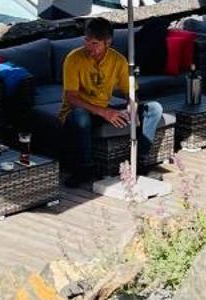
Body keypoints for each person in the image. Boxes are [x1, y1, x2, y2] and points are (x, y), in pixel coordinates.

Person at [60, 16, 163, 186]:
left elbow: (131, 91)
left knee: (154, 109)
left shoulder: (118, 60)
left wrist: (132, 107)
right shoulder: (73, 58)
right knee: (81, 116)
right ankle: (85, 169)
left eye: (94, 43)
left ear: (108, 42)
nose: (88, 46)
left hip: (104, 109)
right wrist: (105, 112)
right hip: (78, 112)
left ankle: (138, 162)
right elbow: (71, 98)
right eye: (86, 41)